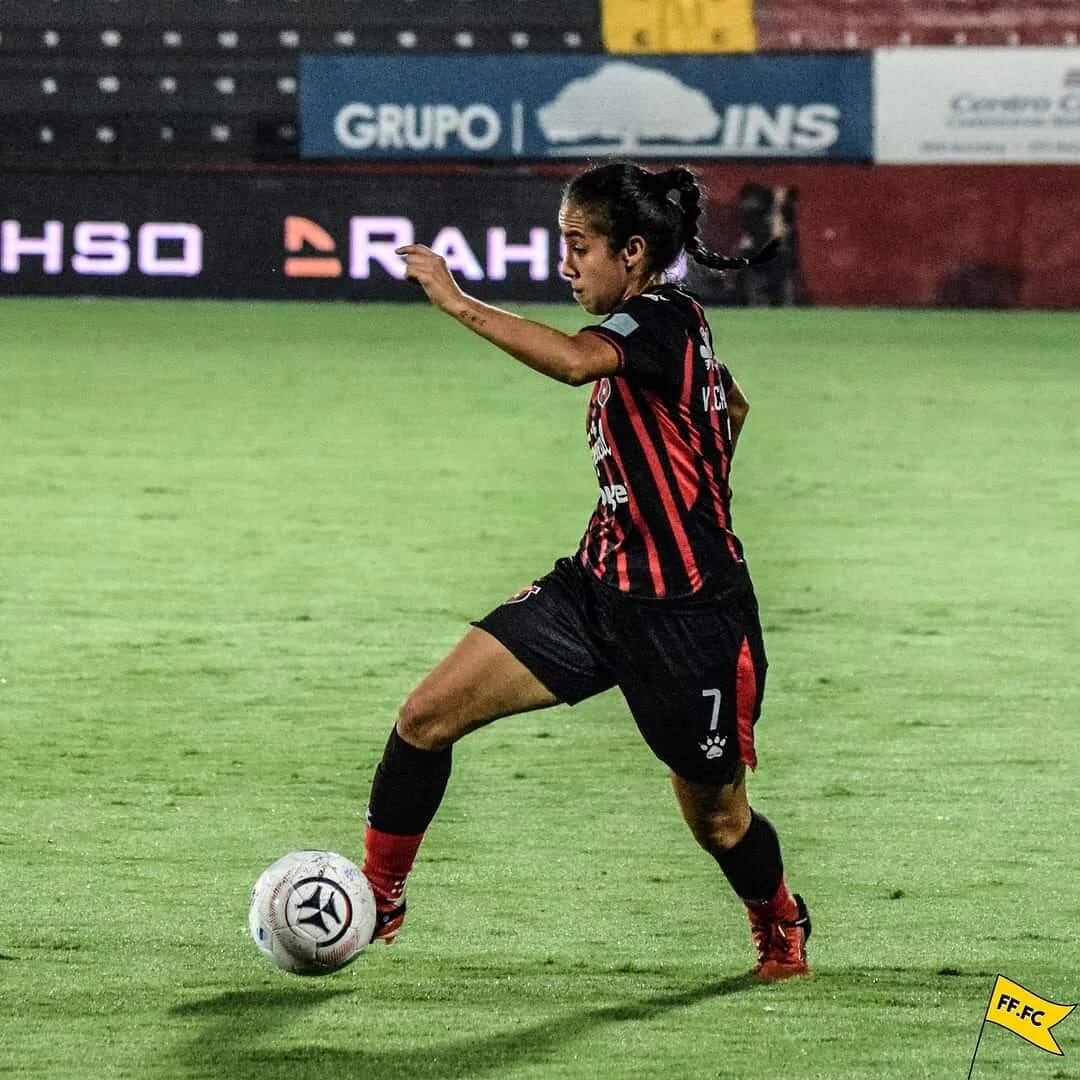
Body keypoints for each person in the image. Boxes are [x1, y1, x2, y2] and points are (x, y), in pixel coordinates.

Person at [360, 161, 810, 981]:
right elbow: (731, 407)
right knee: (424, 719)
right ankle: (376, 898)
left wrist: (458, 302)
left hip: (690, 620)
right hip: (594, 592)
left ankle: (778, 919)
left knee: (717, 820)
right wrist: (687, 485)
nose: (565, 265)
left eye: (579, 246)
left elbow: (574, 363)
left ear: (632, 252)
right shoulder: (673, 330)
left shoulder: (663, 319)